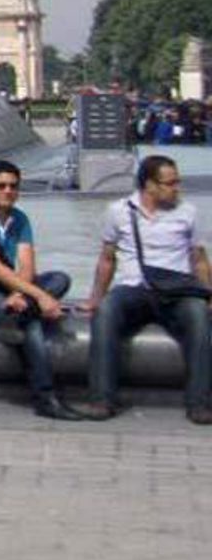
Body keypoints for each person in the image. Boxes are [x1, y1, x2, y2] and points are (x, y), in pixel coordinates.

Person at [0, 160, 89, 421]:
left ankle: (21, 308)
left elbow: (27, 265)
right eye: (0, 186)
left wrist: (22, 295)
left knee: (59, 278)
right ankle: (46, 398)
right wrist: (42, 297)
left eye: (13, 186)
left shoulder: (20, 219)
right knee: (31, 321)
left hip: (9, 291)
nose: (7, 191)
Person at [76, 154, 212, 424]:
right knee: (106, 313)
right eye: (170, 183)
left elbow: (199, 260)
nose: (177, 188)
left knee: (198, 315)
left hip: (178, 291)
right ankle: (102, 399)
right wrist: (95, 299)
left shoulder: (188, 212)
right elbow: (107, 258)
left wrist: (209, 294)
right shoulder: (118, 211)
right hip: (134, 289)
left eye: (177, 182)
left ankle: (200, 403)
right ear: (149, 185)